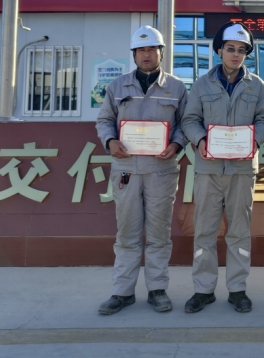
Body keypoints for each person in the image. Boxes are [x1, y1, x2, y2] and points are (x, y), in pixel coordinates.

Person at [95, 25, 188, 315]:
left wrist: (177, 144)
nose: (147, 54)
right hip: (127, 169)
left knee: (159, 232)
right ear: (134, 54)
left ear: (161, 53)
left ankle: (157, 290)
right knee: (127, 232)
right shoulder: (117, 86)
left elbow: (186, 123)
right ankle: (122, 292)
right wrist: (110, 141)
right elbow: (104, 120)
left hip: (161, 169)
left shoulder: (177, 87)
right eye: (141, 50)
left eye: (152, 49)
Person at [180, 22, 264, 314]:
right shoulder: (201, 85)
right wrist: (200, 139)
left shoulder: (257, 86)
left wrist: (254, 141)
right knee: (204, 231)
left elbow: (263, 120)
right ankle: (203, 290)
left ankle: (237, 289)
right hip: (208, 169)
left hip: (242, 170)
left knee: (239, 232)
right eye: (230, 48)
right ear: (219, 50)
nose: (236, 54)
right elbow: (190, 120)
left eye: (242, 50)